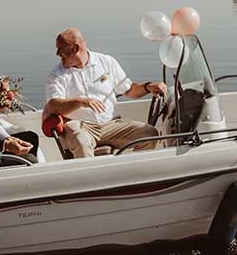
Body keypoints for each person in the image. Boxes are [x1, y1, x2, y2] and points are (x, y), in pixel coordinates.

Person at [44, 28, 165, 158]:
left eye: (60, 49)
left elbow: (129, 89)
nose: (57, 53)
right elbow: (54, 106)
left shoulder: (106, 62)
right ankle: (90, 178)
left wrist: (148, 87)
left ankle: (135, 172)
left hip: (110, 125)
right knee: (80, 141)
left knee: (149, 134)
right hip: (80, 126)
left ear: (75, 48)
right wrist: (81, 102)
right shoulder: (56, 75)